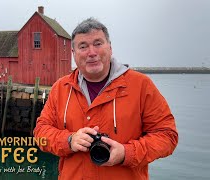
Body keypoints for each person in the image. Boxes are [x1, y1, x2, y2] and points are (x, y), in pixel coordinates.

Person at [33, 18, 178, 180]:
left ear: (110, 47)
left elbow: (167, 136)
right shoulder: (61, 88)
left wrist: (127, 153)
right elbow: (40, 133)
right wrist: (69, 140)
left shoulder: (141, 85)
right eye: (83, 46)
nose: (92, 52)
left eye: (98, 43)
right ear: (73, 54)